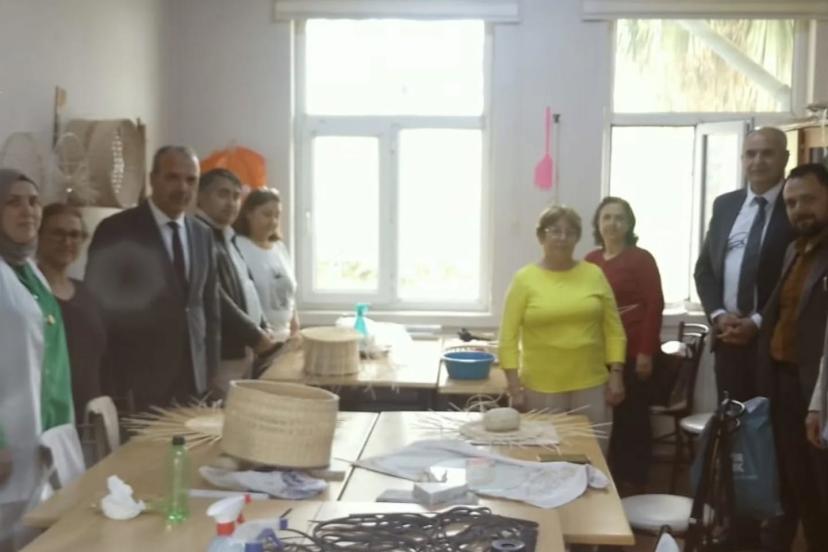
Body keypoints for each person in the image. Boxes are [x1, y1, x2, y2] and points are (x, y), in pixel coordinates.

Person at [85, 146, 220, 411]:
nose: (182, 187)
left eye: (191, 180)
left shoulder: (202, 235)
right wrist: (111, 385)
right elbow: (98, 312)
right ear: (152, 179)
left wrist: (210, 372)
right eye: (172, 177)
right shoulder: (117, 230)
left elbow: (209, 308)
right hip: (137, 383)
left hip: (193, 381)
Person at [498, 205, 626, 429]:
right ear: (541, 236)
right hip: (540, 387)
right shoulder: (524, 279)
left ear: (577, 238)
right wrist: (514, 386)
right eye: (555, 231)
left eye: (570, 232)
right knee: (544, 449)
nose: (563, 238)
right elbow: (507, 337)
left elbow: (614, 330)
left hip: (592, 385)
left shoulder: (594, 274)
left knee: (592, 449)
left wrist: (616, 373)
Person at [0, 170, 74, 551]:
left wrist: (58, 431)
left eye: (33, 201)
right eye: (13, 202)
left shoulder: (30, 271)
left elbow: (52, 358)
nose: (27, 210)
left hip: (37, 437)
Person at [756, 163, 828, 551]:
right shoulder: (794, 250)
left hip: (818, 390)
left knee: (820, 484)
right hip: (784, 381)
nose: (800, 210)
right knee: (793, 480)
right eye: (792, 203)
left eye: (809, 199)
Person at [694, 127, 795, 403]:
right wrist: (718, 314)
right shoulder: (725, 205)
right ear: (742, 159)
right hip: (728, 339)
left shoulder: (796, 206)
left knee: (771, 422)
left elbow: (793, 277)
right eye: (751, 154)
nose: (758, 161)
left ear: (785, 158)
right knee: (732, 420)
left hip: (775, 342)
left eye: (767, 153)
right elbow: (704, 270)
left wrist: (757, 321)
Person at [586, 197, 664, 492]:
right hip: (599, 353)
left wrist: (646, 352)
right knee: (607, 417)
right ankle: (608, 475)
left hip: (633, 351)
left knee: (632, 418)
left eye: (619, 218)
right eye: (606, 217)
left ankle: (634, 481)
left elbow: (654, 305)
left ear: (629, 224)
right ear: (597, 224)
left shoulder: (641, 259)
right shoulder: (591, 260)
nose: (612, 223)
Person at [195, 169, 279, 394]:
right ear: (200, 196)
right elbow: (215, 296)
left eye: (236, 196)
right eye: (223, 194)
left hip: (244, 349)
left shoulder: (226, 235)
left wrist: (263, 325)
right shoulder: (198, 235)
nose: (231, 203)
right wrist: (255, 335)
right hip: (221, 353)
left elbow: (246, 285)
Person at [37, 203, 106, 416]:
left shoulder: (88, 294)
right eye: (58, 233)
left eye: (75, 235)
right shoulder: (28, 293)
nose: (67, 241)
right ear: (38, 236)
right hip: (48, 415)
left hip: (90, 418)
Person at [234, 188, 299, 344]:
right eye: (267, 214)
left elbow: (290, 294)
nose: (273, 221)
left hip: (285, 338)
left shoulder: (279, 247)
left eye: (277, 215)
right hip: (257, 340)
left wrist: (295, 326)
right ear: (249, 213)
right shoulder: (237, 245)